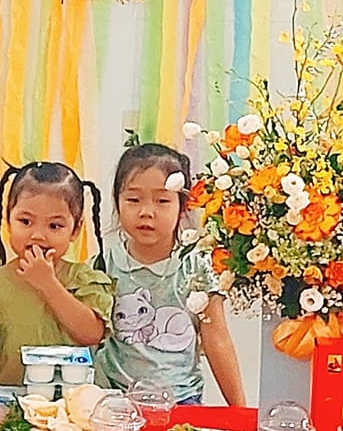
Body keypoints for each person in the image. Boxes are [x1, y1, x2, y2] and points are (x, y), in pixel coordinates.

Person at [96, 144, 243, 405]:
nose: (146, 212)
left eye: (162, 201)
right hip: (115, 400)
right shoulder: (103, 264)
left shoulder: (197, 265)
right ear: (117, 202)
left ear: (182, 206)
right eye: (133, 200)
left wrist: (239, 410)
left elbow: (216, 338)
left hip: (181, 399)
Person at [0, 161, 113, 396]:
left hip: (71, 408)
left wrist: (48, 284)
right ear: (8, 220)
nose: (38, 235)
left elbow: (91, 335)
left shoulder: (84, 280)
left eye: (54, 226)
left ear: (76, 229)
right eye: (25, 222)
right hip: (4, 408)